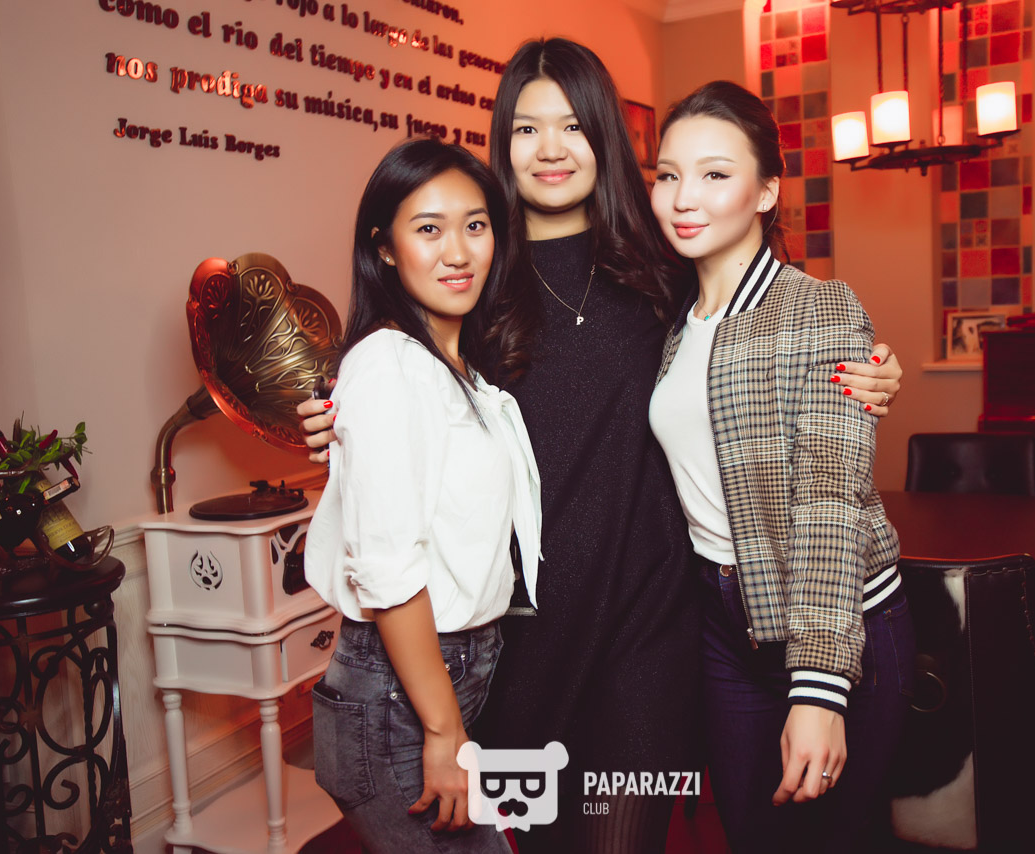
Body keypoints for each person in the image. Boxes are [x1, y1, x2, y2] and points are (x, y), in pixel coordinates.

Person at [299, 37, 906, 853]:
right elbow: (403, 392)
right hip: (523, 641)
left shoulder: (664, 258)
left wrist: (869, 369)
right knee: (545, 839)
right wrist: (331, 417)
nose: (550, 149)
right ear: (503, 144)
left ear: (605, 138)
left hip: (651, 628)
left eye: (573, 126)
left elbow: (762, 334)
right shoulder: (475, 274)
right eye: (527, 129)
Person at [647, 80, 915, 853]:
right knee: (752, 832)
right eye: (668, 175)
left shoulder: (819, 310)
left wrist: (821, 689)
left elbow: (831, 503)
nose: (684, 197)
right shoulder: (672, 320)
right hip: (723, 621)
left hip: (837, 620)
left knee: (834, 840)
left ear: (767, 191)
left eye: (715, 174)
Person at [302, 137, 540, 854]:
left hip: (440, 678)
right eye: (429, 228)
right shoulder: (389, 366)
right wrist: (442, 729)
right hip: (399, 699)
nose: (458, 252)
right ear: (384, 248)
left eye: (475, 225)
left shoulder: (456, 367)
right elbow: (388, 567)